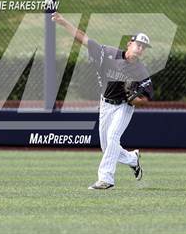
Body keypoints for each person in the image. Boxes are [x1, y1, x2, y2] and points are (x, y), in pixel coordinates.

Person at [51, 12, 153, 190]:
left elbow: (146, 98)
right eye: (138, 44)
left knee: (113, 137)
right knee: (107, 147)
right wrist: (63, 22)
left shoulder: (141, 71)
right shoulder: (108, 53)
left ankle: (106, 179)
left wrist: (134, 99)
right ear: (129, 44)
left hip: (123, 107)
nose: (141, 48)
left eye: (144, 47)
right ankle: (132, 159)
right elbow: (84, 39)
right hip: (105, 104)